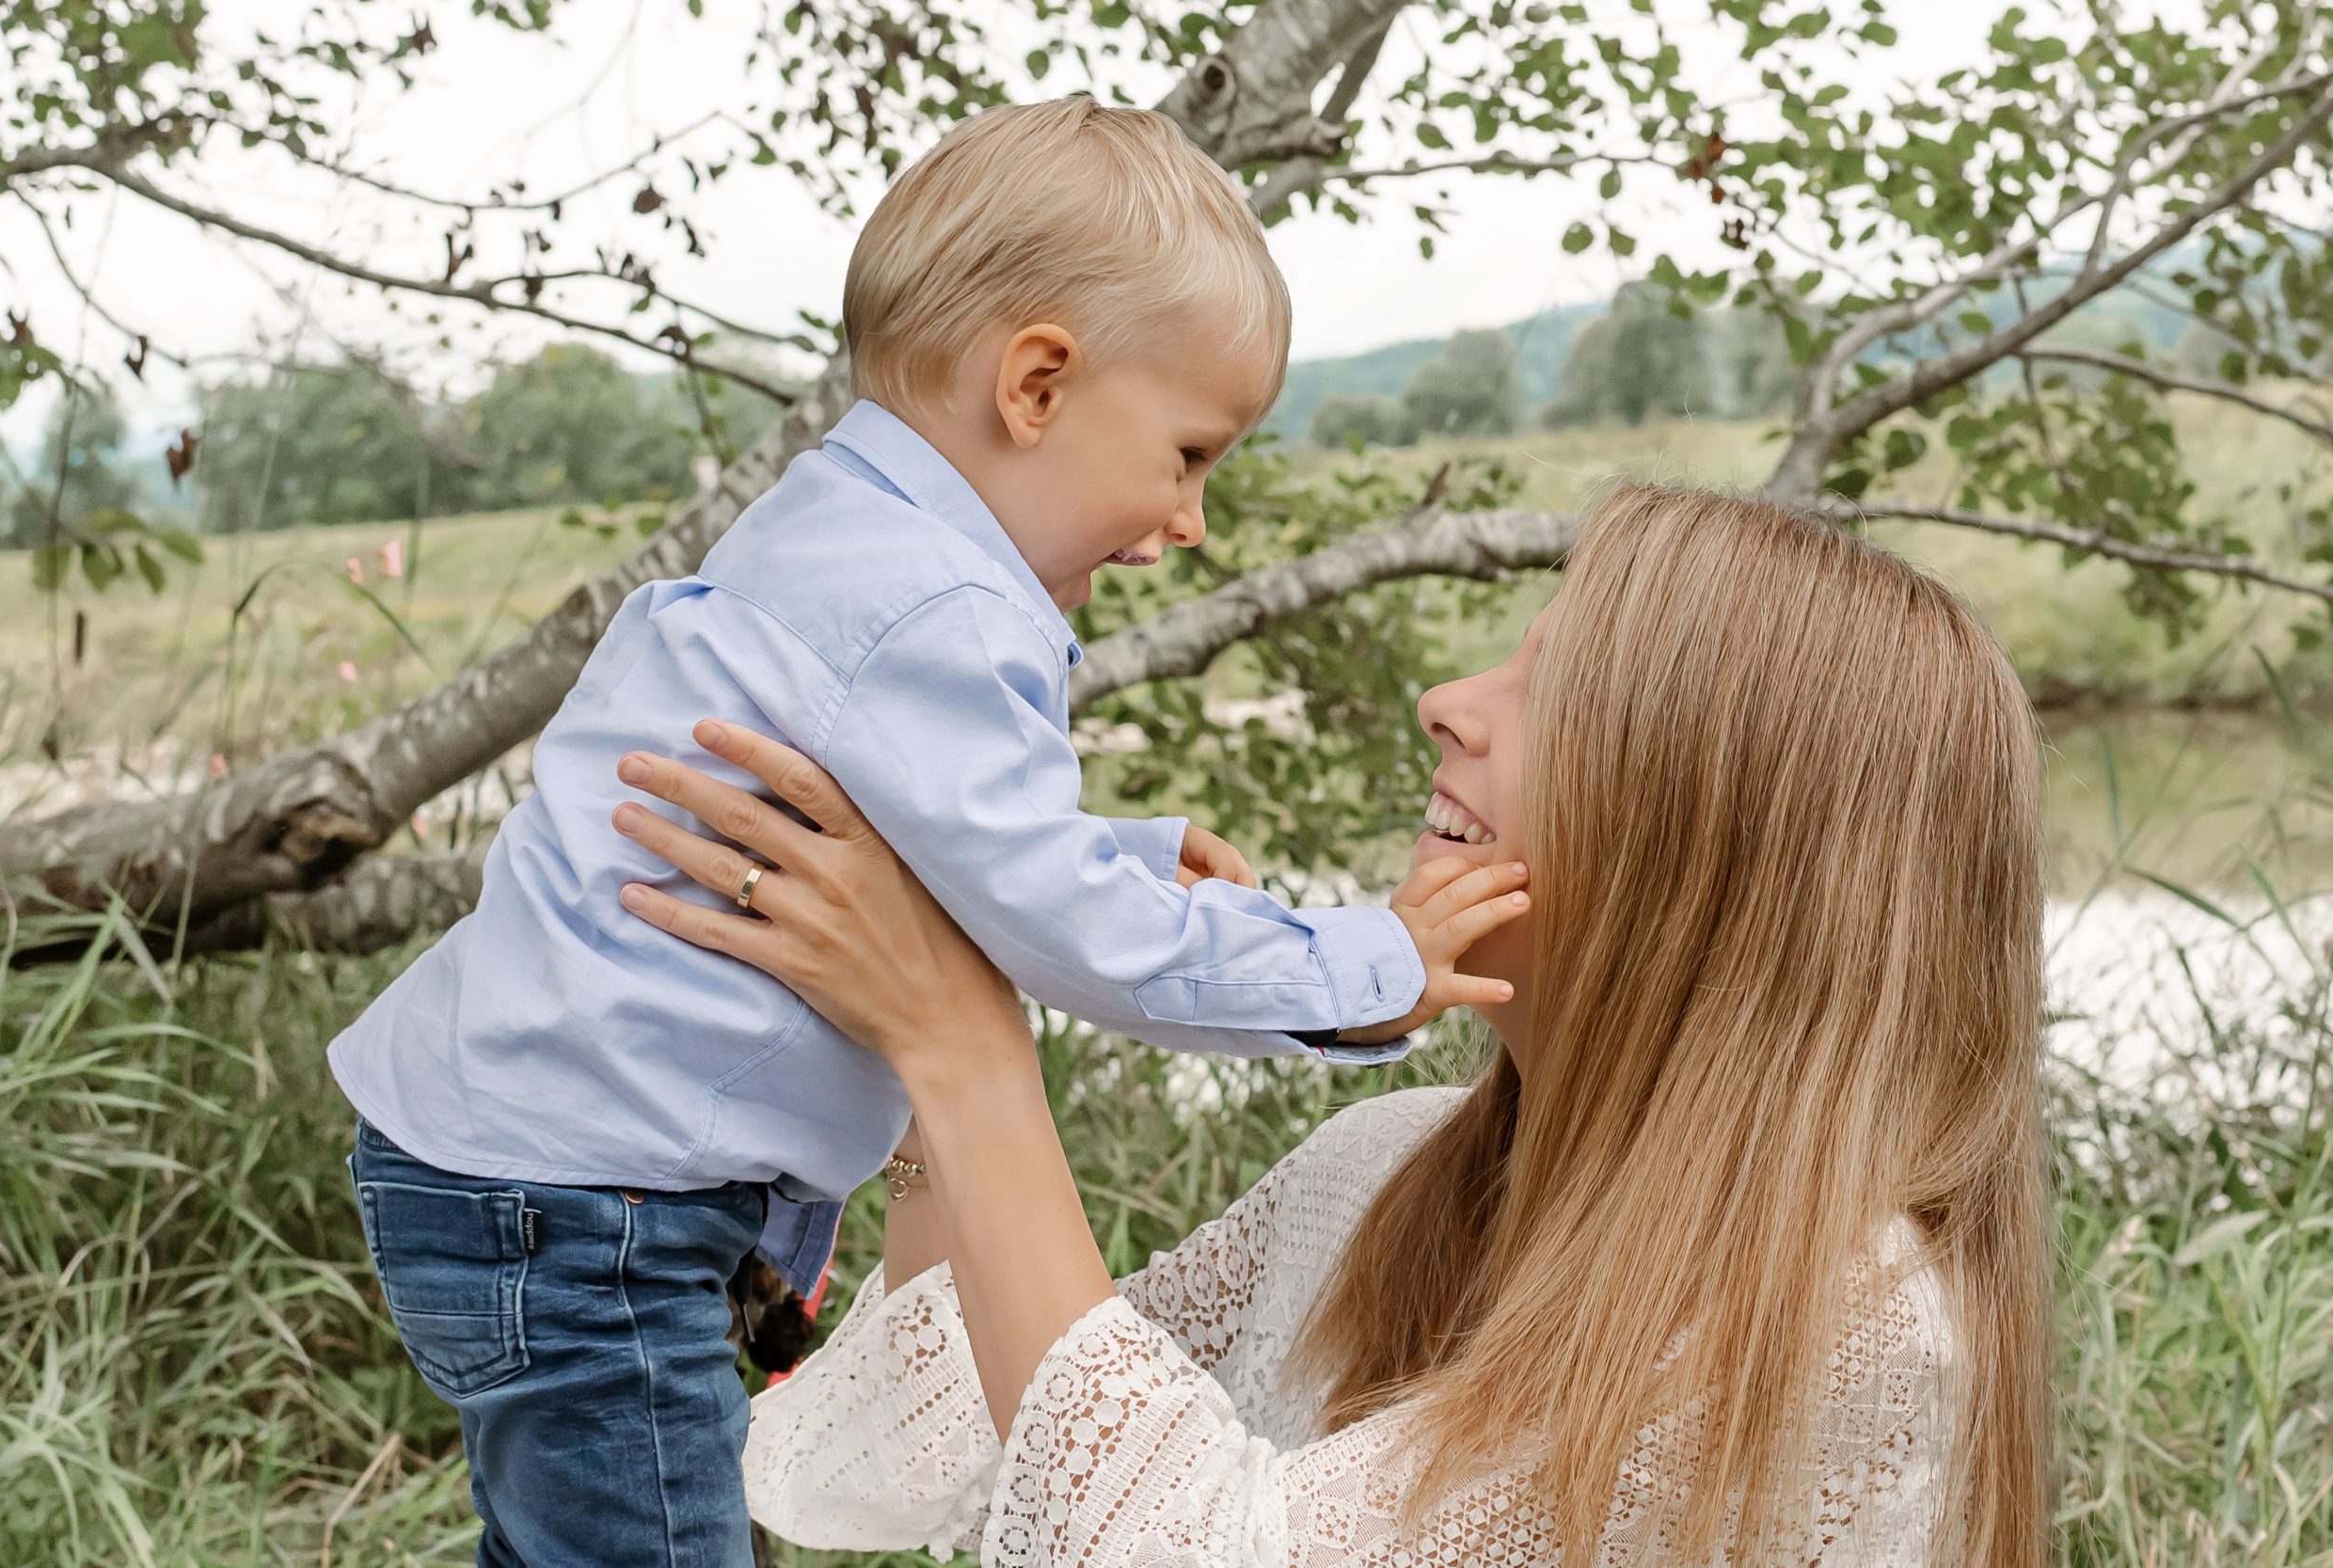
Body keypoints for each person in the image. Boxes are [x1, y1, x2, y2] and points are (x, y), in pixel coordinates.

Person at [327, 99, 1517, 1568]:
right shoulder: (942, 608)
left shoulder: (847, 532)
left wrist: (1128, 854)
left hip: (537, 1179)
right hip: (587, 1219)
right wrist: (1363, 963)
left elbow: (945, 835)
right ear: (1036, 386)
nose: (1189, 520)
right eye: (1190, 454)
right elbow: (1072, 937)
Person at [611, 483, 2055, 1567]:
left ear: (1725, 842)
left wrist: (964, 1053)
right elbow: (946, 1449)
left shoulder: (1843, 1327)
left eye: (1553, 691)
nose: (1445, 703)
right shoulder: (1381, 1163)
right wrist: (961, 993)